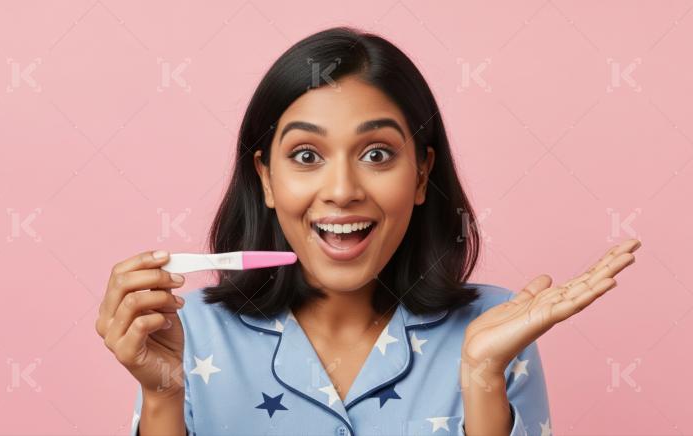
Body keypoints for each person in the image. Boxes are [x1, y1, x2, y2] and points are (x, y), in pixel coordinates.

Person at [94, 26, 640, 436]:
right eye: (306, 155)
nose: (342, 189)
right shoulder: (189, 335)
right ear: (265, 178)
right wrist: (162, 394)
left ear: (422, 174)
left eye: (377, 153)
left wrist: (481, 379)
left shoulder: (496, 333)